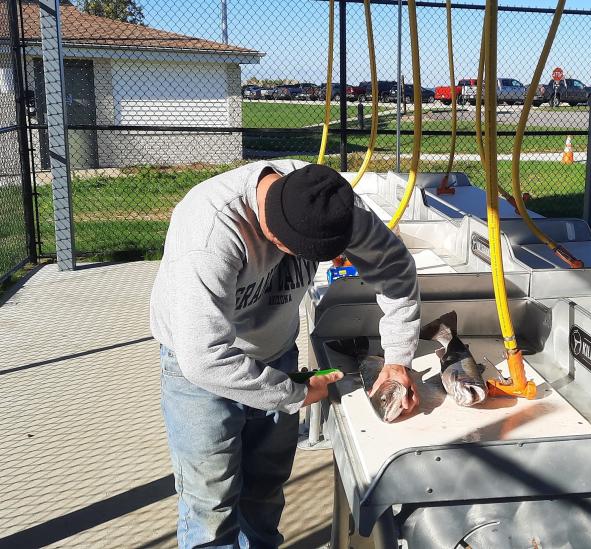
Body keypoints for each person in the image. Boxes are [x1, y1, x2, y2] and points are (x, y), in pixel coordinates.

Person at [150, 160, 420, 548]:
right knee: (210, 506)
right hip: (198, 373)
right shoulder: (210, 232)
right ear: (273, 237)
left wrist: (397, 358)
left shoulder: (329, 203)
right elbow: (203, 357)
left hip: (275, 354)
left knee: (264, 491)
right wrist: (293, 394)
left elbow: (394, 267)